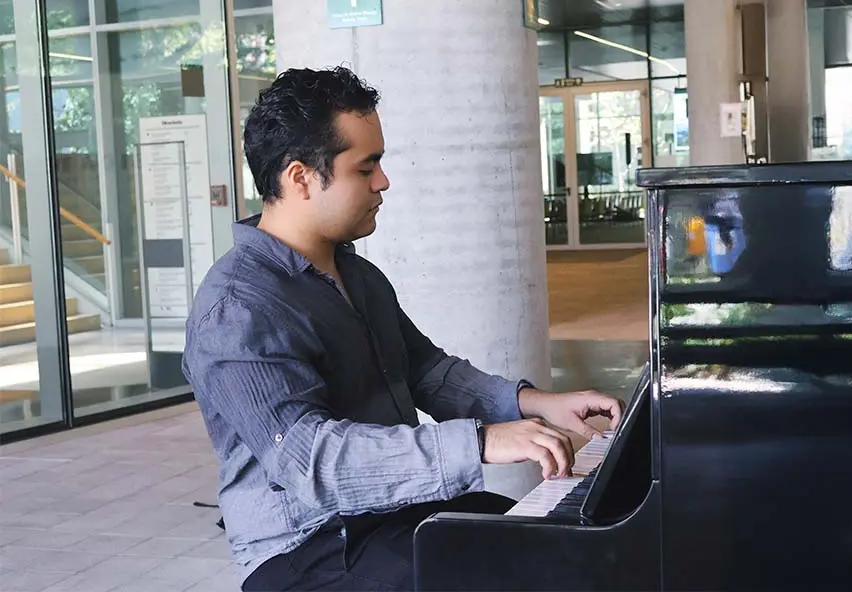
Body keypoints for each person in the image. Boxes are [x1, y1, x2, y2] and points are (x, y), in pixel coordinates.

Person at [182, 66, 624, 592]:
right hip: (308, 548)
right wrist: (479, 441)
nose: (383, 182)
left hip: (392, 515)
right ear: (301, 177)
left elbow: (425, 371)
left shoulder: (358, 274)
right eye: (366, 168)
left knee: (547, 544)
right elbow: (311, 460)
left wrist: (533, 403)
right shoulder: (237, 308)